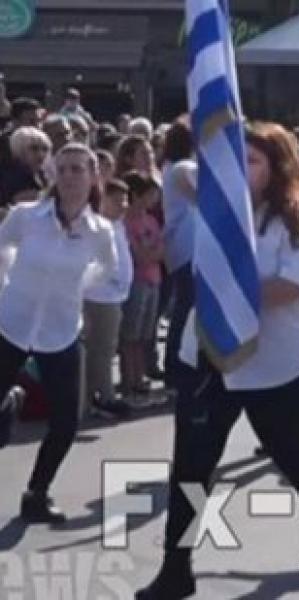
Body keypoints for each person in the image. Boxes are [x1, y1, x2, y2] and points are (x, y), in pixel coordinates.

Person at [135, 123, 299, 599]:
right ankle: (176, 568)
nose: (243, 168)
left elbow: (295, 285)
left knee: (291, 454)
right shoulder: (217, 205)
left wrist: (231, 293)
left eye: (253, 161)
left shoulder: (298, 221)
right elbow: (183, 172)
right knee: (191, 464)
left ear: (278, 167)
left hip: (275, 364)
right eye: (237, 158)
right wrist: (218, 167)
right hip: (208, 354)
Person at [0, 143, 117, 522]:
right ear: (53, 174)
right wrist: (8, 283)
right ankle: (10, 403)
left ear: (92, 175)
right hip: (12, 323)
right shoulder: (26, 216)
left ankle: (37, 493)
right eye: (63, 169)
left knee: (66, 421)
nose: (69, 177)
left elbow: (108, 270)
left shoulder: (99, 231)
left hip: (61, 330)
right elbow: (1, 247)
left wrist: (77, 287)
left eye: (77, 169)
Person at [83, 178, 134, 418]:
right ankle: (102, 396)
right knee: (100, 349)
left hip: (114, 296)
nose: (123, 204)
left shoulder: (118, 225)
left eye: (125, 199)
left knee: (105, 348)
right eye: (116, 200)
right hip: (99, 296)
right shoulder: (97, 227)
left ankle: (97, 394)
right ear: (102, 200)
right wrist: (110, 281)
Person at [119, 172, 164, 405]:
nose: (154, 200)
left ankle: (140, 377)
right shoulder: (125, 223)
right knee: (130, 336)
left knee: (144, 334)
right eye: (149, 195)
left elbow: (161, 250)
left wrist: (152, 254)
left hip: (153, 280)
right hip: (136, 281)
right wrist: (149, 254)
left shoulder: (152, 221)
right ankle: (130, 380)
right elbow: (138, 255)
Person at [160, 119, 196, 390]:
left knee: (185, 307)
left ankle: (178, 365)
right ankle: (175, 367)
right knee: (185, 309)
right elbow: (201, 195)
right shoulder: (182, 169)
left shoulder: (171, 167)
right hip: (185, 246)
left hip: (184, 245)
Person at [1, 126, 51, 207]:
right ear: (18, 149)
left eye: (45, 149)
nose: (41, 155)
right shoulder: (6, 177)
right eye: (34, 148)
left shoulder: (42, 176)